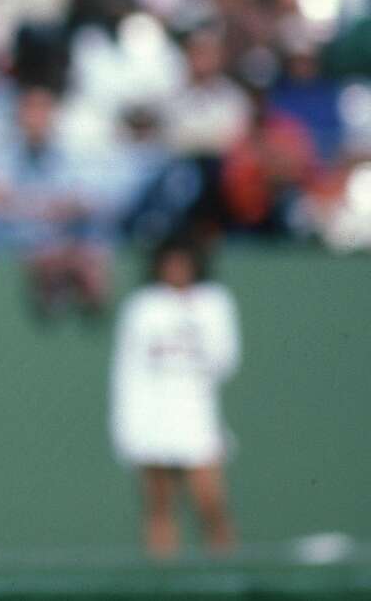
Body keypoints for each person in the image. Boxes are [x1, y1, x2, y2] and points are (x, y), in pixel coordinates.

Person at [109, 237, 240, 559]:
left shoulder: (214, 302)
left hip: (197, 418)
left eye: (183, 262)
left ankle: (226, 579)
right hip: (152, 419)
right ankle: (164, 584)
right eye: (170, 262)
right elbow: (127, 368)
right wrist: (127, 428)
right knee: (159, 505)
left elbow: (225, 360)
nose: (176, 270)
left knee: (211, 503)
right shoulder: (143, 306)